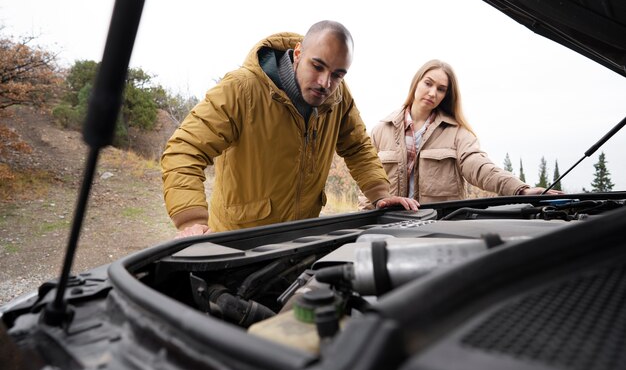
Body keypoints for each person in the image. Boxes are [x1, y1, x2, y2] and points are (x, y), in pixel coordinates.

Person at [162, 20, 418, 237]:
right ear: (298, 54)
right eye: (317, 66)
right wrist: (191, 222)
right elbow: (184, 149)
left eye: (338, 74)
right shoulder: (241, 89)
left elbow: (358, 147)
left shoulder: (339, 98)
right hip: (237, 242)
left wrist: (380, 194)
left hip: (298, 242)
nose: (325, 83)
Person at [359, 59, 562, 209]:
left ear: (446, 95)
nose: (432, 93)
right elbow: (367, 181)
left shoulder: (457, 133)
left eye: (441, 89)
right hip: (387, 227)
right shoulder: (380, 130)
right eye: (428, 83)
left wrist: (519, 189)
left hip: (440, 226)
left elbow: (480, 167)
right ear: (416, 83)